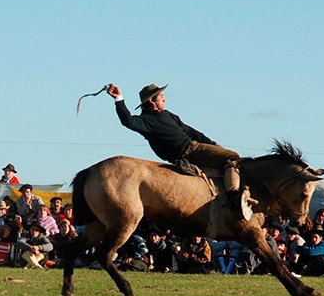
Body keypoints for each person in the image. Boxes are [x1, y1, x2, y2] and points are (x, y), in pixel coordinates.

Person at [106, 83, 248, 211]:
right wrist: (119, 99)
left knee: (221, 165)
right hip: (189, 150)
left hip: (194, 148)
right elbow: (128, 121)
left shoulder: (168, 115)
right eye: (161, 96)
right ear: (151, 100)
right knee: (232, 156)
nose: (164, 99)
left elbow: (189, 130)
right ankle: (233, 197)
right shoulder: (146, 121)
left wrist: (212, 143)